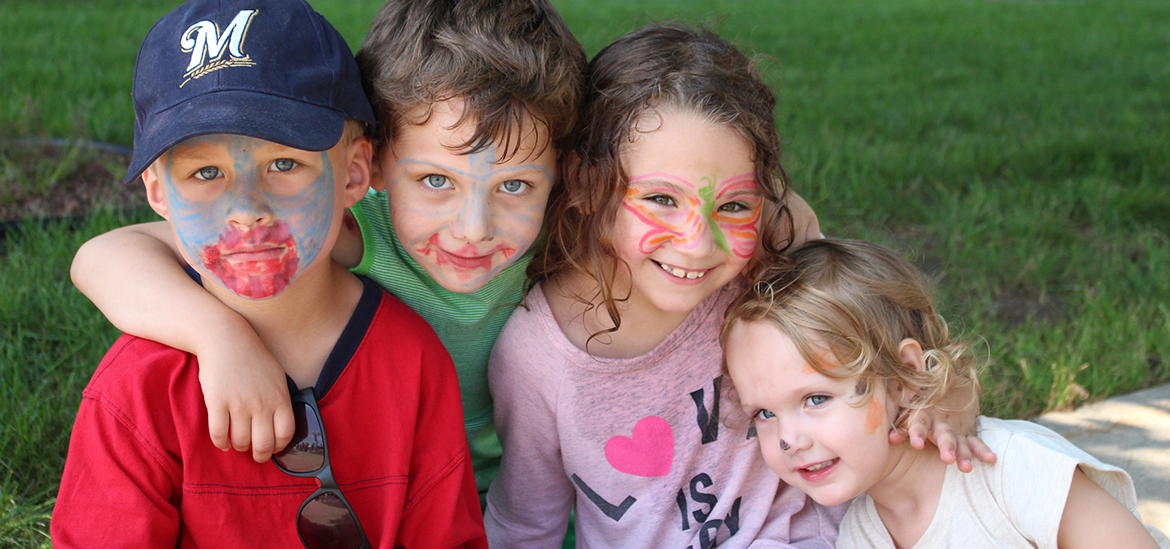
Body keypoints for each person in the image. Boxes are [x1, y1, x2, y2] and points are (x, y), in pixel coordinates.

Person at [483, 24, 984, 548]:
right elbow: (526, 523)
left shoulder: (767, 264)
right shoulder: (537, 358)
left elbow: (917, 363)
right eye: (660, 200)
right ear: (586, 181)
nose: (698, 244)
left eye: (733, 205)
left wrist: (948, 404)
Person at [68, 0, 587, 498]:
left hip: (531, 493)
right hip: (393, 488)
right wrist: (218, 335)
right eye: (434, 180)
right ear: (373, 169)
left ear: (559, 177)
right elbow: (104, 256)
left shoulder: (560, 244)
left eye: (515, 186)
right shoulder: (339, 229)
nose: (475, 229)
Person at [721, 238, 1170, 549]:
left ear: (904, 377)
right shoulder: (861, 534)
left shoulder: (1011, 472)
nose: (788, 439)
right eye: (763, 413)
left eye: (816, 399)